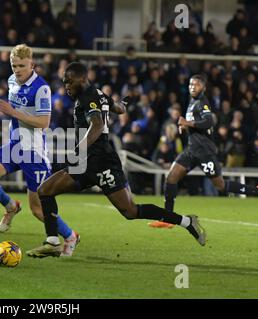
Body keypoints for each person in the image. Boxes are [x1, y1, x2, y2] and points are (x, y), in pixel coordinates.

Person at [26, 62, 206, 258]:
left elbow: (96, 125)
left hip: (103, 162)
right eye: (64, 82)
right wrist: (125, 102)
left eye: (69, 81)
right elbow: (119, 109)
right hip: (85, 164)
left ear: (81, 79)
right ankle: (52, 241)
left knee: (130, 211)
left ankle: (188, 222)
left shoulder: (89, 97)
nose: (66, 86)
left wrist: (79, 149)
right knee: (45, 190)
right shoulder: (100, 95)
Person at [0, 44, 79, 256]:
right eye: (14, 65)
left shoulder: (41, 88)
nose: (17, 69)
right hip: (14, 146)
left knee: (38, 209)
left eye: (21, 65)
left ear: (32, 64)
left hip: (34, 153)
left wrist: (13, 112)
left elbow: (44, 122)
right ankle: (11, 206)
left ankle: (70, 236)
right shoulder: (12, 81)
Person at [149, 74, 258, 228]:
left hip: (204, 152)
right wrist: (186, 126)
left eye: (197, 85)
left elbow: (208, 121)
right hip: (191, 150)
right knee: (171, 178)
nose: (193, 87)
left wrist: (187, 122)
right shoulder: (192, 102)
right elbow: (198, 123)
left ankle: (254, 191)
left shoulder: (202, 102)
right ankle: (168, 219)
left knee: (220, 185)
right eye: (191, 84)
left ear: (204, 88)